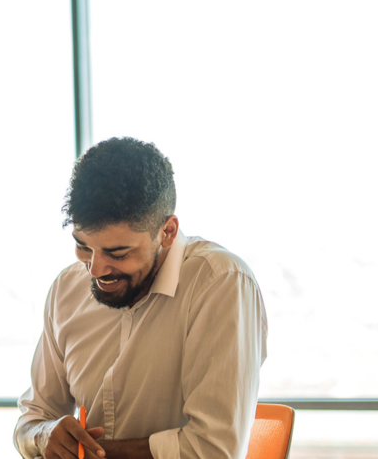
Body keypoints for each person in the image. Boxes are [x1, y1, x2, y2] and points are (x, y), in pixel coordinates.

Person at [14, 137, 267, 459]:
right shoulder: (67, 288)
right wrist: (45, 435)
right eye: (83, 246)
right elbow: (33, 418)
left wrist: (95, 454)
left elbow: (214, 450)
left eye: (118, 252)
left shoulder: (220, 282)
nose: (95, 270)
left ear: (168, 232)